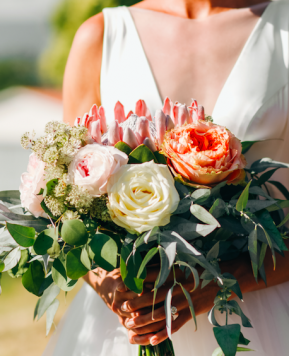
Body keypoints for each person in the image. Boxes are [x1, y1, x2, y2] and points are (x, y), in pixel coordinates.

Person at [43, 1, 289, 355]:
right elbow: (66, 206)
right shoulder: (100, 37)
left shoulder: (282, 31)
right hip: (123, 332)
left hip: (260, 317)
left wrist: (218, 282)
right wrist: (107, 284)